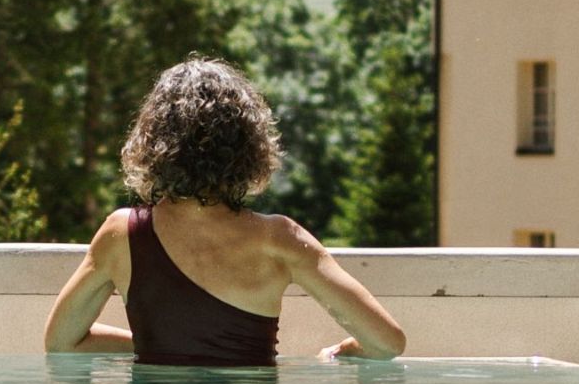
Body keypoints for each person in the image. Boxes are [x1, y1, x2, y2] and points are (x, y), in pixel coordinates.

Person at [44, 56, 407, 365]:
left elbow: (61, 344)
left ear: (153, 143)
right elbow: (387, 344)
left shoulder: (122, 233)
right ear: (250, 147)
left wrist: (156, 345)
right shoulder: (280, 239)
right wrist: (344, 351)